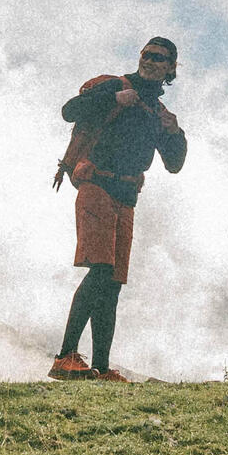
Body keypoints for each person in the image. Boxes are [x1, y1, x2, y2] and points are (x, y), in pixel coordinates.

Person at [49, 36, 186, 380]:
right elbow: (69, 111)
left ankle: (101, 367)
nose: (150, 61)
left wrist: (176, 133)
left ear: (171, 69)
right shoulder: (117, 86)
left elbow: (175, 164)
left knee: (111, 282)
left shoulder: (159, 114)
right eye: (147, 55)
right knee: (99, 270)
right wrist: (113, 98)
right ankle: (65, 356)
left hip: (126, 196)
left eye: (159, 58)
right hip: (96, 185)